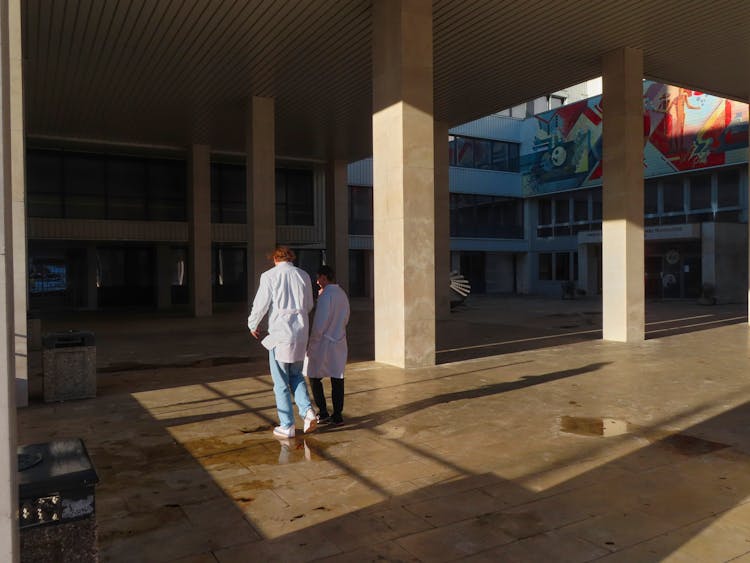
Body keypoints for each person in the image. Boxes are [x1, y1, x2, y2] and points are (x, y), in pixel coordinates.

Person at [248, 246, 317, 438]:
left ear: (275, 259)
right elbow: (310, 305)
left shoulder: (269, 276)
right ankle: (308, 412)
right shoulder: (303, 275)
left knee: (280, 382)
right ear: (291, 258)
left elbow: (261, 303)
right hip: (301, 332)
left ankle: (287, 425)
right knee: (296, 375)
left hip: (280, 333)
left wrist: (252, 323)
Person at [305, 265, 350, 425]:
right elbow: (346, 317)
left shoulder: (326, 296)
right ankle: (337, 415)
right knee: (337, 377)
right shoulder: (342, 293)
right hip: (339, 340)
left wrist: (312, 344)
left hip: (324, 343)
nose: (317, 282)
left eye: (318, 278)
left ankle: (323, 412)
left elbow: (319, 324)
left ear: (324, 278)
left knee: (313, 375)